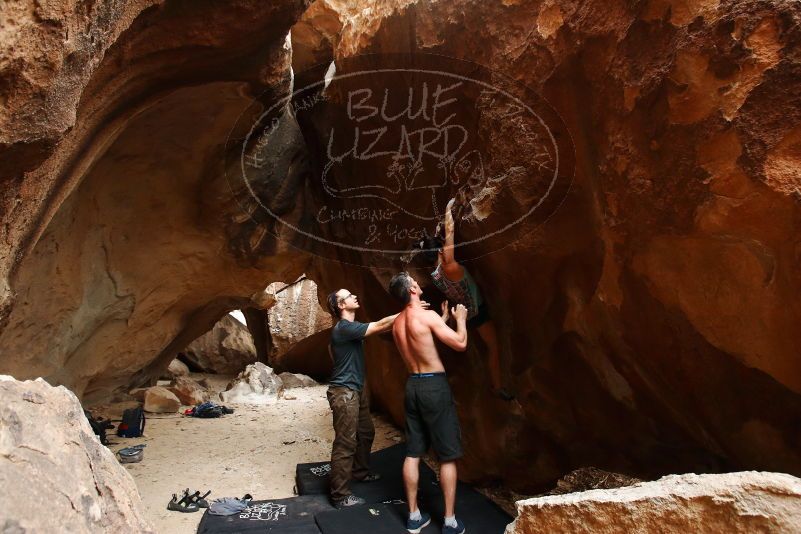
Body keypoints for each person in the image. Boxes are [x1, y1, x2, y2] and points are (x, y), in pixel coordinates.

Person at [389, 271, 468, 534]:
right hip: (434, 386)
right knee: (447, 456)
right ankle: (449, 521)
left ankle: (413, 516)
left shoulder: (398, 323)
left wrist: (441, 319)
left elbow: (419, 339)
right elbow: (459, 343)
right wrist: (461, 320)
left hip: (413, 385)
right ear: (412, 289)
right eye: (414, 280)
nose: (417, 281)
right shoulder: (426, 316)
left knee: (413, 452)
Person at [420, 198, 514, 401]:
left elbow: (442, 243)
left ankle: (494, 384)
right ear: (439, 251)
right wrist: (448, 210)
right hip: (476, 309)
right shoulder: (449, 266)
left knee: (488, 346)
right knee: (493, 346)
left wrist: (437, 237)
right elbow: (450, 233)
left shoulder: (434, 275)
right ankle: (497, 386)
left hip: (466, 313)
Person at [325, 288, 398, 508]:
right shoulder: (344, 328)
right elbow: (381, 325)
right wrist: (410, 310)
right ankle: (340, 496)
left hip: (356, 389)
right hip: (344, 393)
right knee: (345, 443)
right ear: (341, 305)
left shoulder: (347, 329)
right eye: (348, 296)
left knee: (366, 432)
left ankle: (359, 472)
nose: (355, 296)